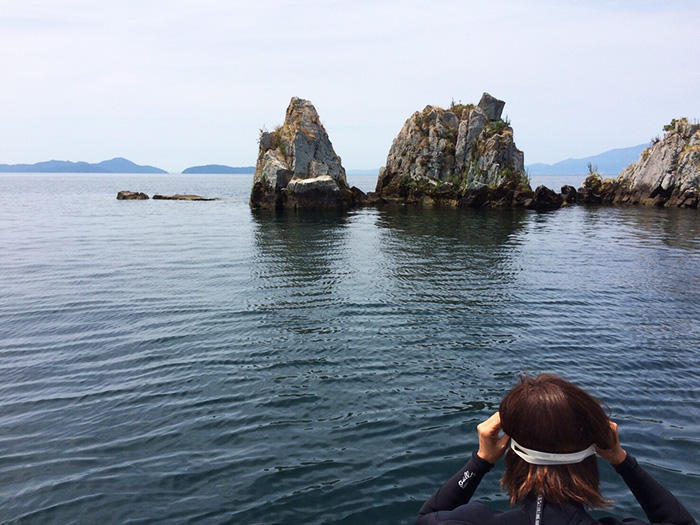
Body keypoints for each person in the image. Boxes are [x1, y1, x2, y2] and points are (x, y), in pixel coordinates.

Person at [416, 374, 696, 524]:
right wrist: (621, 460)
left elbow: (426, 517)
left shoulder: (471, 521)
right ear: (593, 451)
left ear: (512, 454)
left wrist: (481, 460)